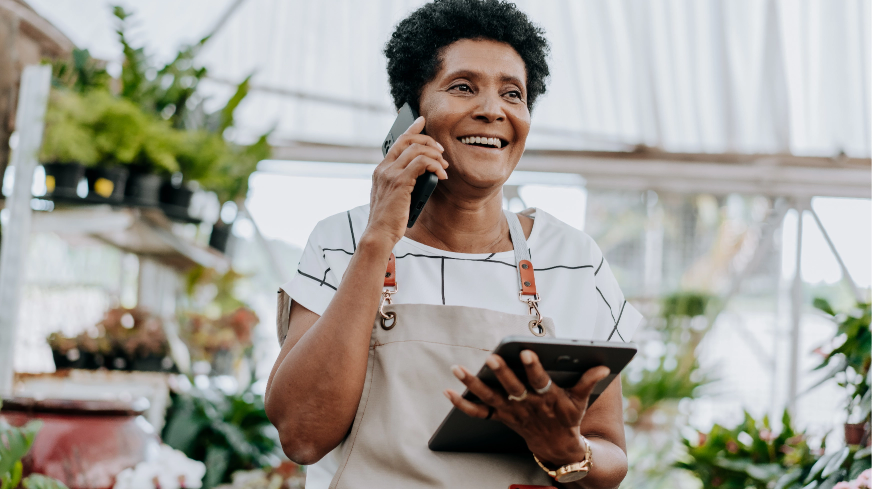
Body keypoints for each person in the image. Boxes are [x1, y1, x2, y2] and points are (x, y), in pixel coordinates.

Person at [265, 0, 643, 487]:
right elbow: (302, 436)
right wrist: (379, 240)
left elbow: (611, 455)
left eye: (513, 94)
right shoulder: (343, 241)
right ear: (411, 113)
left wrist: (570, 451)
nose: (492, 111)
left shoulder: (574, 261)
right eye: (463, 87)